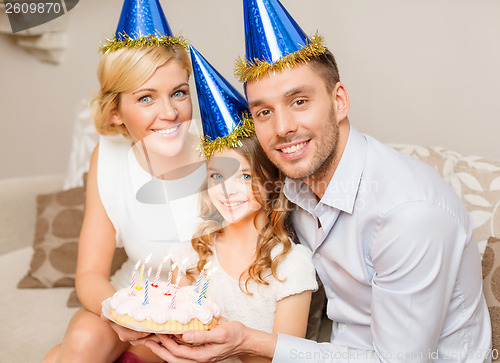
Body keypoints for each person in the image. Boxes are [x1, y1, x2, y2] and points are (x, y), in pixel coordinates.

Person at [143, 0, 492, 362]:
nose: (282, 128)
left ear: (339, 100)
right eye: (264, 111)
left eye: (299, 101)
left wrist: (248, 341)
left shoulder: (408, 214)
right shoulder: (290, 183)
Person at [42, 1, 204, 362]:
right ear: (115, 112)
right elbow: (89, 274)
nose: (170, 112)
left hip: (200, 318)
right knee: (82, 337)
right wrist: (123, 314)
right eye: (146, 98)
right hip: (136, 307)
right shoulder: (110, 155)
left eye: (179, 92)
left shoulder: (223, 153)